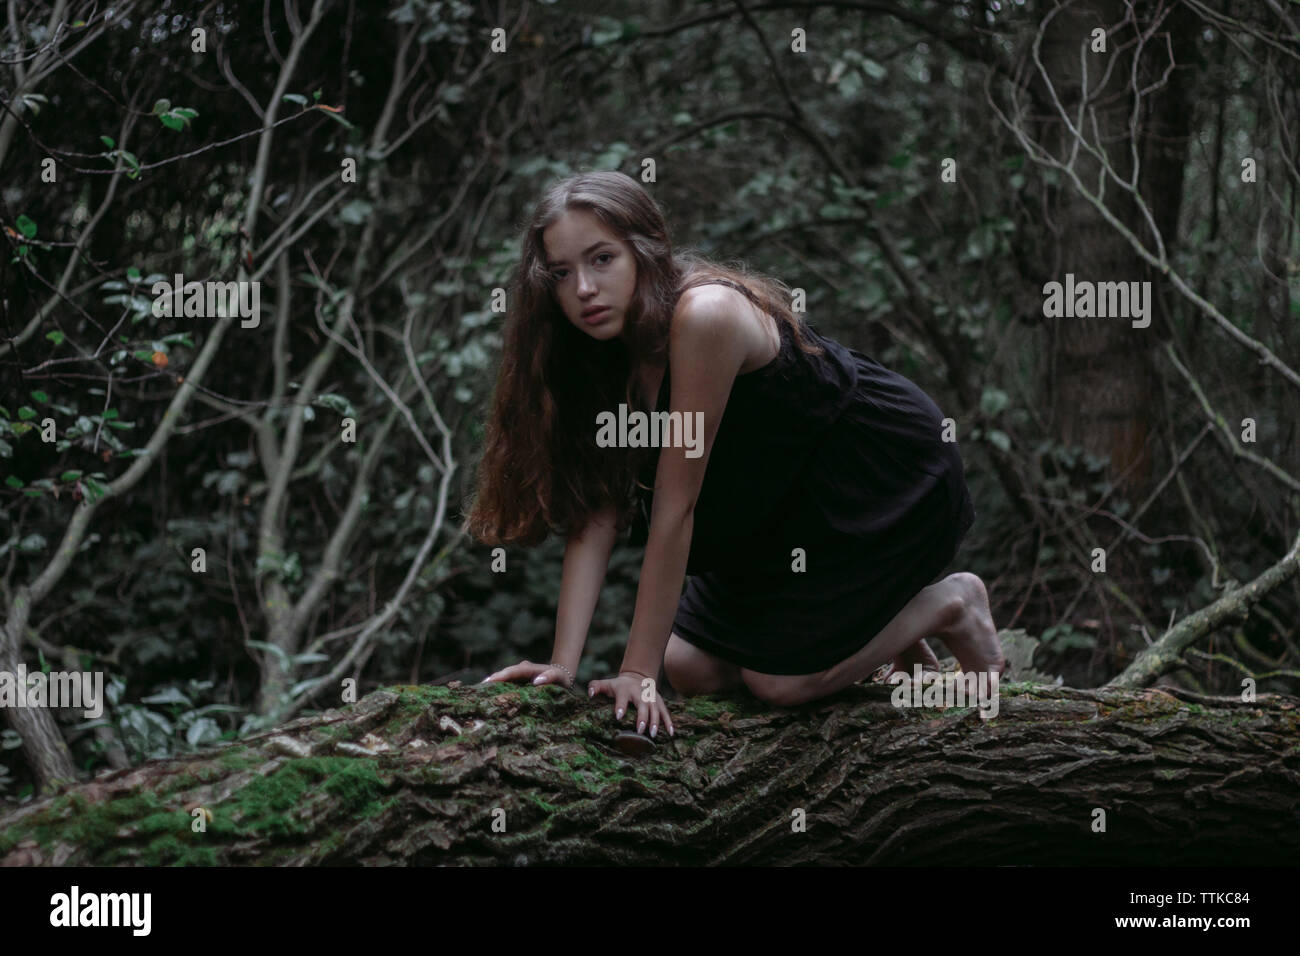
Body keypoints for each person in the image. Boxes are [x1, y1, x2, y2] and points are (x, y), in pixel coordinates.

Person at [469, 170, 1004, 740]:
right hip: (782, 512)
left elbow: (675, 509)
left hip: (879, 478)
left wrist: (635, 674)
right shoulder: (596, 356)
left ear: (646, 250)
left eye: (602, 259)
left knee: (780, 683)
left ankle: (951, 603)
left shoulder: (705, 317)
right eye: (561, 273)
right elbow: (596, 514)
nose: (583, 289)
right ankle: (892, 635)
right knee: (691, 666)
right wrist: (562, 667)